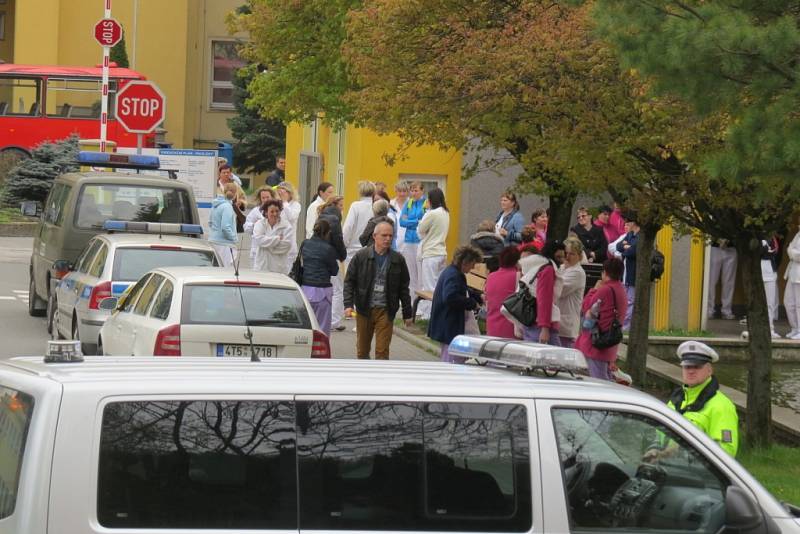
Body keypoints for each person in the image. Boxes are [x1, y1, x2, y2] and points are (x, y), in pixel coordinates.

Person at [344, 222, 413, 359]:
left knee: (382, 352)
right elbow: (349, 281)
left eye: (390, 236)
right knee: (362, 351)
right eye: (384, 235)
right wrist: (348, 305)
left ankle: (380, 378)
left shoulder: (398, 259)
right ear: (375, 236)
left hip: (386, 310)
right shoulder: (361, 256)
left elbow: (404, 288)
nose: (388, 239)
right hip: (364, 309)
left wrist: (407, 313)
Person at [658, 341, 739, 457]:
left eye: (697, 366)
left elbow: (726, 451)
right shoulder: (676, 399)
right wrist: (654, 449)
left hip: (696, 474)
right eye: (687, 366)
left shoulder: (722, 406)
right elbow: (659, 433)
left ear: (709, 370)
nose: (691, 371)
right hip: (667, 469)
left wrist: (679, 452)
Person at [428, 245, 485, 363]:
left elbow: (461, 290)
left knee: (448, 355)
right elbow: (450, 297)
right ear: (465, 262)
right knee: (452, 358)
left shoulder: (452, 272)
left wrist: (477, 297)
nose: (473, 267)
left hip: (446, 323)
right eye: (472, 263)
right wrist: (472, 303)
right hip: (449, 324)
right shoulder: (454, 275)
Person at [574, 257, 627, 380]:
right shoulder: (620, 289)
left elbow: (586, 306)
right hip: (610, 340)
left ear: (605, 272)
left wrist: (594, 289)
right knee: (606, 376)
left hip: (597, 343)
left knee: (599, 379)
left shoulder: (604, 289)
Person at [518, 239, 564, 345]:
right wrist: (545, 327)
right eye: (559, 257)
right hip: (541, 326)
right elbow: (544, 299)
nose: (562, 261)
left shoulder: (538, 267)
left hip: (532, 321)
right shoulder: (548, 270)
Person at [299, 219, 340, 337]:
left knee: (307, 328)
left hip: (306, 290)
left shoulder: (305, 244)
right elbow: (335, 271)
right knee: (322, 331)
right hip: (323, 293)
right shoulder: (328, 248)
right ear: (327, 233)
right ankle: (321, 354)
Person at [416, 187, 450, 320]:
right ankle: (439, 313)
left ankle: (430, 315)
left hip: (430, 252)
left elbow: (421, 229)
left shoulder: (432, 213)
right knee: (438, 285)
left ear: (431, 200)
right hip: (442, 251)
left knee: (429, 286)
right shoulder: (446, 212)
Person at [318, 195, 348, 331]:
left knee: (326, 288)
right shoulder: (335, 219)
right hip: (332, 256)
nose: (342, 208)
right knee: (338, 289)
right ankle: (334, 321)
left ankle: (323, 319)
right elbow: (338, 240)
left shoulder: (321, 215)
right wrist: (343, 255)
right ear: (335, 205)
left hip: (321, 256)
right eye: (341, 205)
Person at [485, 246, 521, 339]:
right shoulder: (518, 276)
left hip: (492, 327)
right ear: (517, 261)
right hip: (510, 328)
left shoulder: (491, 277)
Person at [558, 237, 587, 347]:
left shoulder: (577, 273)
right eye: (566, 253)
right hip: (559, 323)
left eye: (572, 254)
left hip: (567, 327)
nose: (567, 256)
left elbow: (559, 290)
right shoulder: (563, 268)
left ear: (579, 256)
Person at [399, 181, 427, 296]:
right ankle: (412, 301)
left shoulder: (425, 203)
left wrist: (411, 222)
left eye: (416, 190)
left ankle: (421, 302)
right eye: (412, 190)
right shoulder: (409, 203)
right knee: (410, 274)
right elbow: (402, 222)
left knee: (421, 274)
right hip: (408, 241)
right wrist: (416, 222)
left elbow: (425, 222)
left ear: (422, 191)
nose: (413, 193)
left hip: (420, 241)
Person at [252, 199, 294, 274]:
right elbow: (259, 240)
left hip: (279, 268)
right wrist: (277, 239)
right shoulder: (259, 224)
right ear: (265, 212)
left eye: (277, 211)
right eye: (272, 211)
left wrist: (266, 246)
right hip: (262, 266)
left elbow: (287, 245)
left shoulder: (287, 226)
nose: (275, 214)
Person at [342, 181, 377, 268]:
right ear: (373, 192)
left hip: (353, 250)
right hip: (370, 249)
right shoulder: (375, 207)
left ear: (360, 192)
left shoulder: (355, 206)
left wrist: (344, 244)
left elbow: (348, 227)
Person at [617, 212, 640, 330]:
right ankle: (623, 324)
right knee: (625, 299)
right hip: (625, 273)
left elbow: (633, 251)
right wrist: (626, 247)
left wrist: (626, 248)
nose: (626, 224)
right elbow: (618, 246)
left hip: (633, 273)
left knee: (630, 300)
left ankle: (625, 326)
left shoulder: (639, 236)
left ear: (633, 223)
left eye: (628, 222)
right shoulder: (630, 235)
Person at [209, 183, 239, 268]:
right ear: (235, 194)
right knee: (226, 271)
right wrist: (234, 238)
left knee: (215, 269)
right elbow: (225, 227)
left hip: (213, 242)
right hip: (225, 244)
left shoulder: (215, 205)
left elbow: (210, 222)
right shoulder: (227, 207)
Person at [707, 238, 737, 320]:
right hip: (714, 247)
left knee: (729, 282)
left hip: (731, 247)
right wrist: (718, 240)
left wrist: (727, 241)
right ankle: (709, 310)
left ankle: (726, 311)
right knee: (711, 281)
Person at [244, 187, 276, 264]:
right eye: (263, 198)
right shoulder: (256, 211)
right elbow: (246, 226)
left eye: (267, 197)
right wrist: (255, 225)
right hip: (257, 249)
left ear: (272, 197)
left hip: (272, 250)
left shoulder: (278, 210)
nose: (265, 199)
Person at [276, 182, 302, 267]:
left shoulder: (296, 205)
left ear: (290, 193)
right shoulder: (277, 204)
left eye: (283, 193)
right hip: (277, 242)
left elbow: (291, 217)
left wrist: (285, 202)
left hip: (290, 244)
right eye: (279, 193)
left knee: (288, 270)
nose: (281, 195)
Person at [760, 236, 781, 338]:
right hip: (758, 272)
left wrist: (768, 252)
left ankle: (770, 328)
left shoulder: (772, 237)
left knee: (770, 303)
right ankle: (758, 328)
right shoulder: (755, 235)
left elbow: (775, 253)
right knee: (757, 303)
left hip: (770, 273)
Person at [784, 224, 800, 340]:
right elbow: (789, 248)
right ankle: (794, 328)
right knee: (788, 302)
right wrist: (793, 252)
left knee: (799, 304)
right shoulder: (798, 234)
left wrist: (793, 253)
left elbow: (798, 255)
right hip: (792, 271)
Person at [390, 182, 409, 251]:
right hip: (394, 240)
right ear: (396, 191)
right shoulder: (390, 204)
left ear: (408, 192)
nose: (402, 194)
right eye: (400, 191)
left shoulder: (413, 204)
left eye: (404, 191)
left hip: (409, 241)